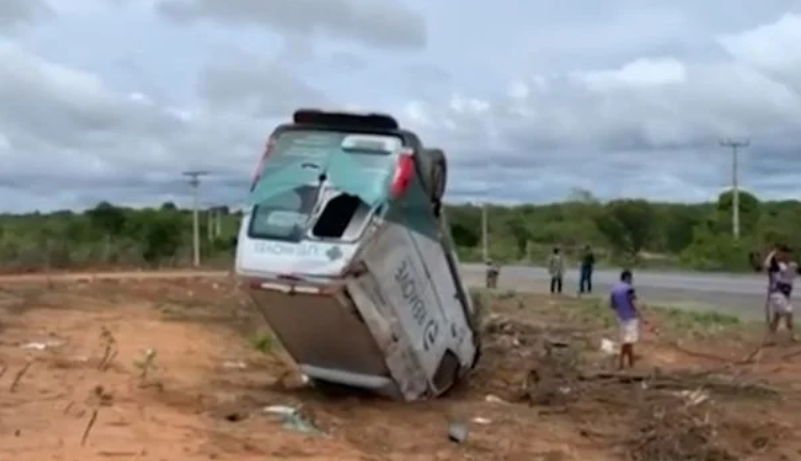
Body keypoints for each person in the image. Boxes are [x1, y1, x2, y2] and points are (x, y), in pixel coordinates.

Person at [609, 269, 641, 369]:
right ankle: (623, 361)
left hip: (621, 318)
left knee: (627, 340)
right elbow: (634, 303)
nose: (631, 280)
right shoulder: (629, 289)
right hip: (631, 318)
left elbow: (612, 305)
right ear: (627, 278)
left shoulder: (614, 289)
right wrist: (641, 315)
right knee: (628, 341)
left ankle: (629, 361)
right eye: (631, 278)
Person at [767, 245, 797, 340]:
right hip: (777, 294)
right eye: (785, 253)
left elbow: (789, 281)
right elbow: (769, 263)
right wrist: (773, 253)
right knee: (789, 312)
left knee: (777, 315)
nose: (787, 255)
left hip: (784, 295)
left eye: (788, 253)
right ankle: (792, 335)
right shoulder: (777, 265)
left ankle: (770, 336)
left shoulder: (791, 266)